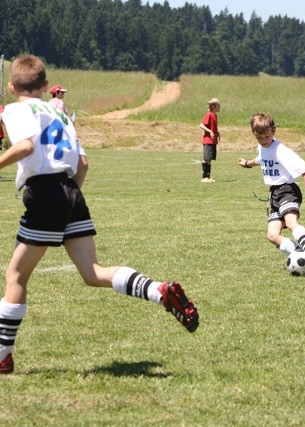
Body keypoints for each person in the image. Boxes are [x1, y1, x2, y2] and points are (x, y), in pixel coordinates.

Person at [0, 54, 199, 375]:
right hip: (71, 190)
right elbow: (83, 163)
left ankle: (2, 357)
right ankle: (158, 290)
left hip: (45, 192)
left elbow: (25, 146)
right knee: (93, 273)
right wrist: (69, 197)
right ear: (46, 86)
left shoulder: (14, 110)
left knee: (16, 277)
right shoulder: (59, 112)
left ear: (11, 87)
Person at [237, 113, 305, 265]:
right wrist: (247, 164)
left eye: (267, 136)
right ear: (254, 134)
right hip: (274, 195)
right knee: (272, 235)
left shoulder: (280, 150)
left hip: (287, 191)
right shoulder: (262, 148)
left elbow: (302, 166)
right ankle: (301, 254)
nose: (264, 140)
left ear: (274, 131)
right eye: (259, 137)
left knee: (291, 222)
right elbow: (261, 159)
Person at [198, 98, 221, 182]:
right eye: (218, 106)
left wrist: (217, 132)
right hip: (208, 140)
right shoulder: (209, 115)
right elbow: (201, 125)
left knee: (210, 159)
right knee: (206, 158)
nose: (219, 107)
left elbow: (213, 127)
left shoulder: (215, 116)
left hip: (213, 141)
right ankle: (204, 177)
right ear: (214, 106)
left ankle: (208, 177)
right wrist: (210, 131)